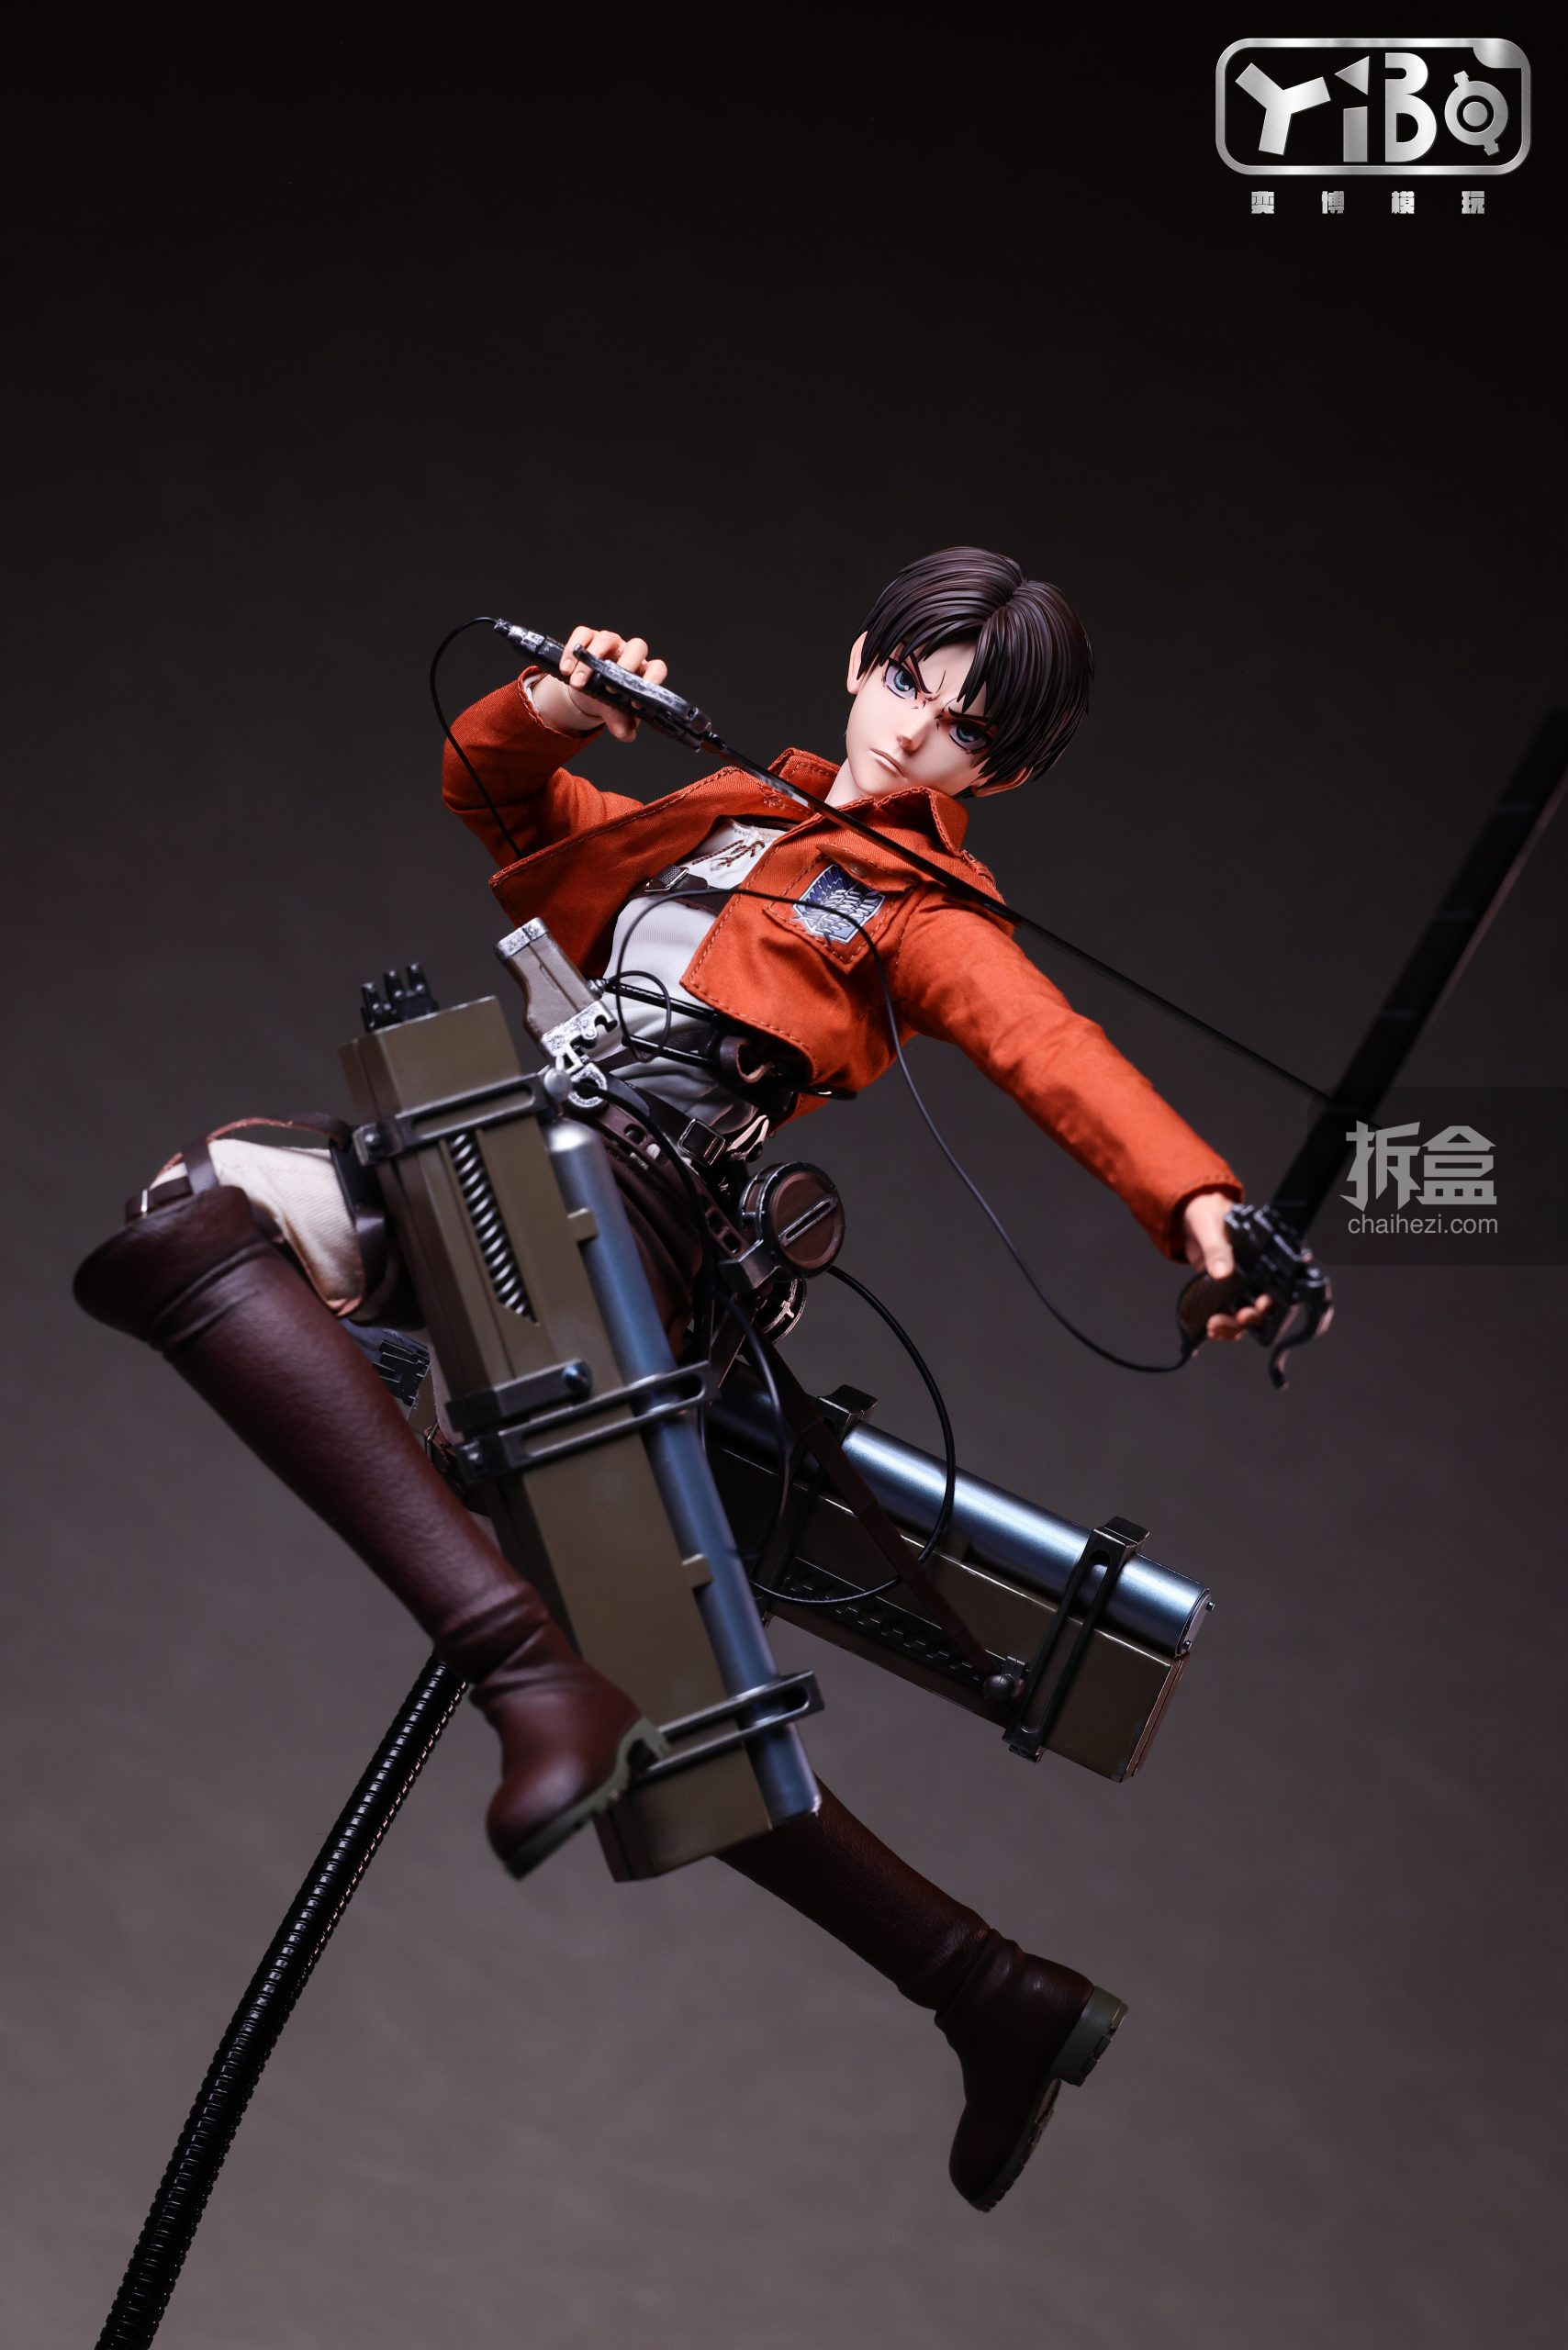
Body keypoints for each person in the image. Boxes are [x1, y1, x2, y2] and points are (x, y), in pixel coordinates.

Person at [73, 546, 1268, 2211]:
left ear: (998, 772)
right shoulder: (722, 810)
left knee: (647, 1690)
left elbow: (1052, 1050)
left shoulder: (926, 915)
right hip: (499, 1155)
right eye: (907, 683)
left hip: (626, 1216)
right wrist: (556, 704)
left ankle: (534, 1671)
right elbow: (499, 796)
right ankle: (987, 1985)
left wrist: (1199, 1203)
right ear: (860, 659)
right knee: (193, 1211)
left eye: (964, 729)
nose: (915, 730)